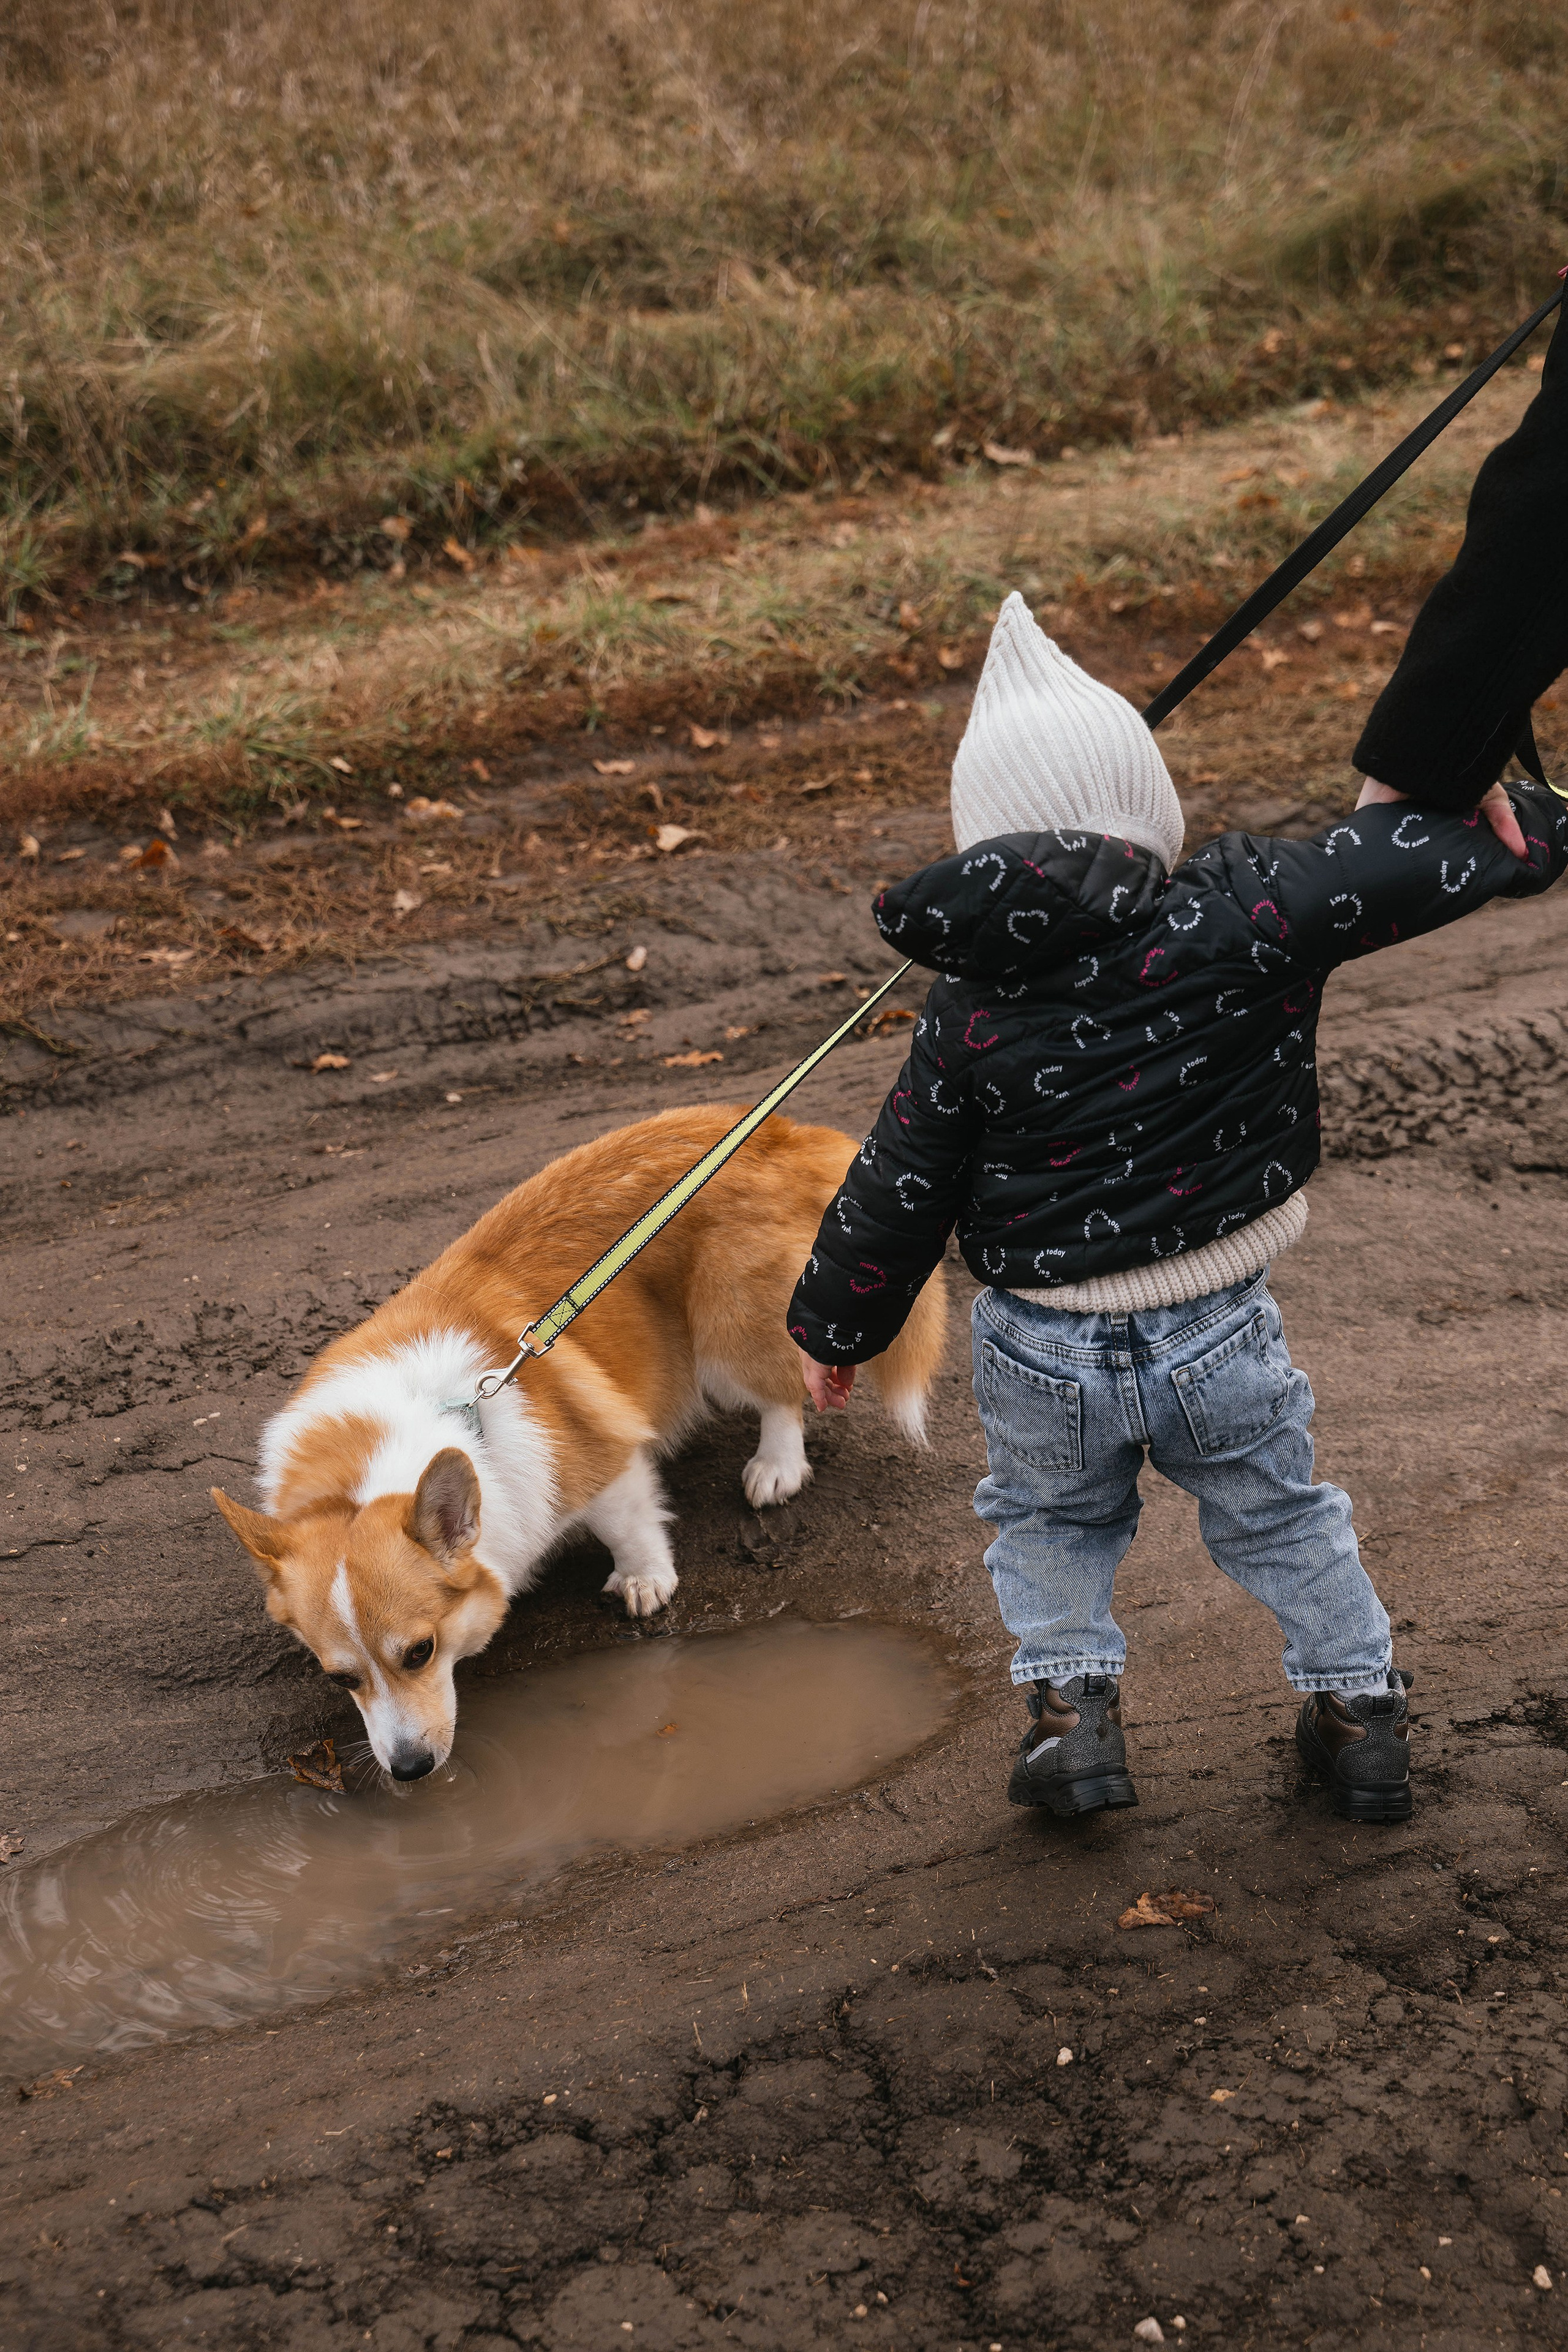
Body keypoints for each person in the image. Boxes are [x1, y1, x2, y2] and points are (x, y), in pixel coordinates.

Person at [787, 328, 1568, 1825]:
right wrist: (1514, 838)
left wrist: (834, 1328)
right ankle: (1356, 1720)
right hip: (1218, 1326)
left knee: (1044, 1524)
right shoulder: (1246, 909)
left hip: (1041, 1349)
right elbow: (1391, 858)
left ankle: (1074, 1729)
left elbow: (896, 1184)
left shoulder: (961, 1013)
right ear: (1145, 814)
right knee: (1282, 1516)